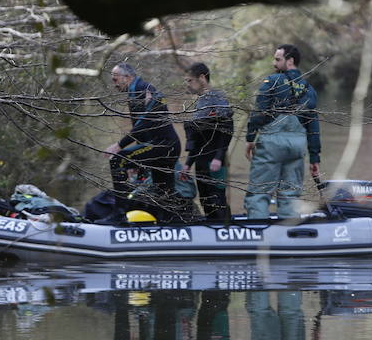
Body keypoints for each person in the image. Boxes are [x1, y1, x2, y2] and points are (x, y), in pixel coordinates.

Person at [244, 44, 321, 219]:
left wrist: (250, 138)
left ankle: (258, 236)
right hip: (297, 147)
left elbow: (259, 113)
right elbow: (313, 126)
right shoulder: (309, 89)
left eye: (278, 59)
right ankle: (288, 237)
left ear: (290, 61)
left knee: (259, 194)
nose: (274, 63)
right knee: (290, 196)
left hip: (272, 144)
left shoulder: (271, 82)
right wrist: (315, 157)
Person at [103, 62, 182, 215]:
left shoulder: (144, 89)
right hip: (163, 146)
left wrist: (120, 145)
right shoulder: (134, 91)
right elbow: (140, 129)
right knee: (162, 193)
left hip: (163, 146)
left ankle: (121, 215)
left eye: (115, 79)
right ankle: (172, 221)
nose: (114, 83)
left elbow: (145, 123)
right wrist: (137, 160)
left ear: (127, 77)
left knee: (117, 160)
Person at [180, 62, 233, 220]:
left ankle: (226, 232)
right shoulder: (201, 101)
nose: (188, 84)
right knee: (205, 200)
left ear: (202, 78)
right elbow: (199, 138)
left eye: (190, 80)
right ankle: (212, 232)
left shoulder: (218, 98)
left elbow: (227, 129)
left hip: (215, 162)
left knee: (217, 200)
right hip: (201, 161)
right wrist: (188, 164)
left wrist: (219, 157)